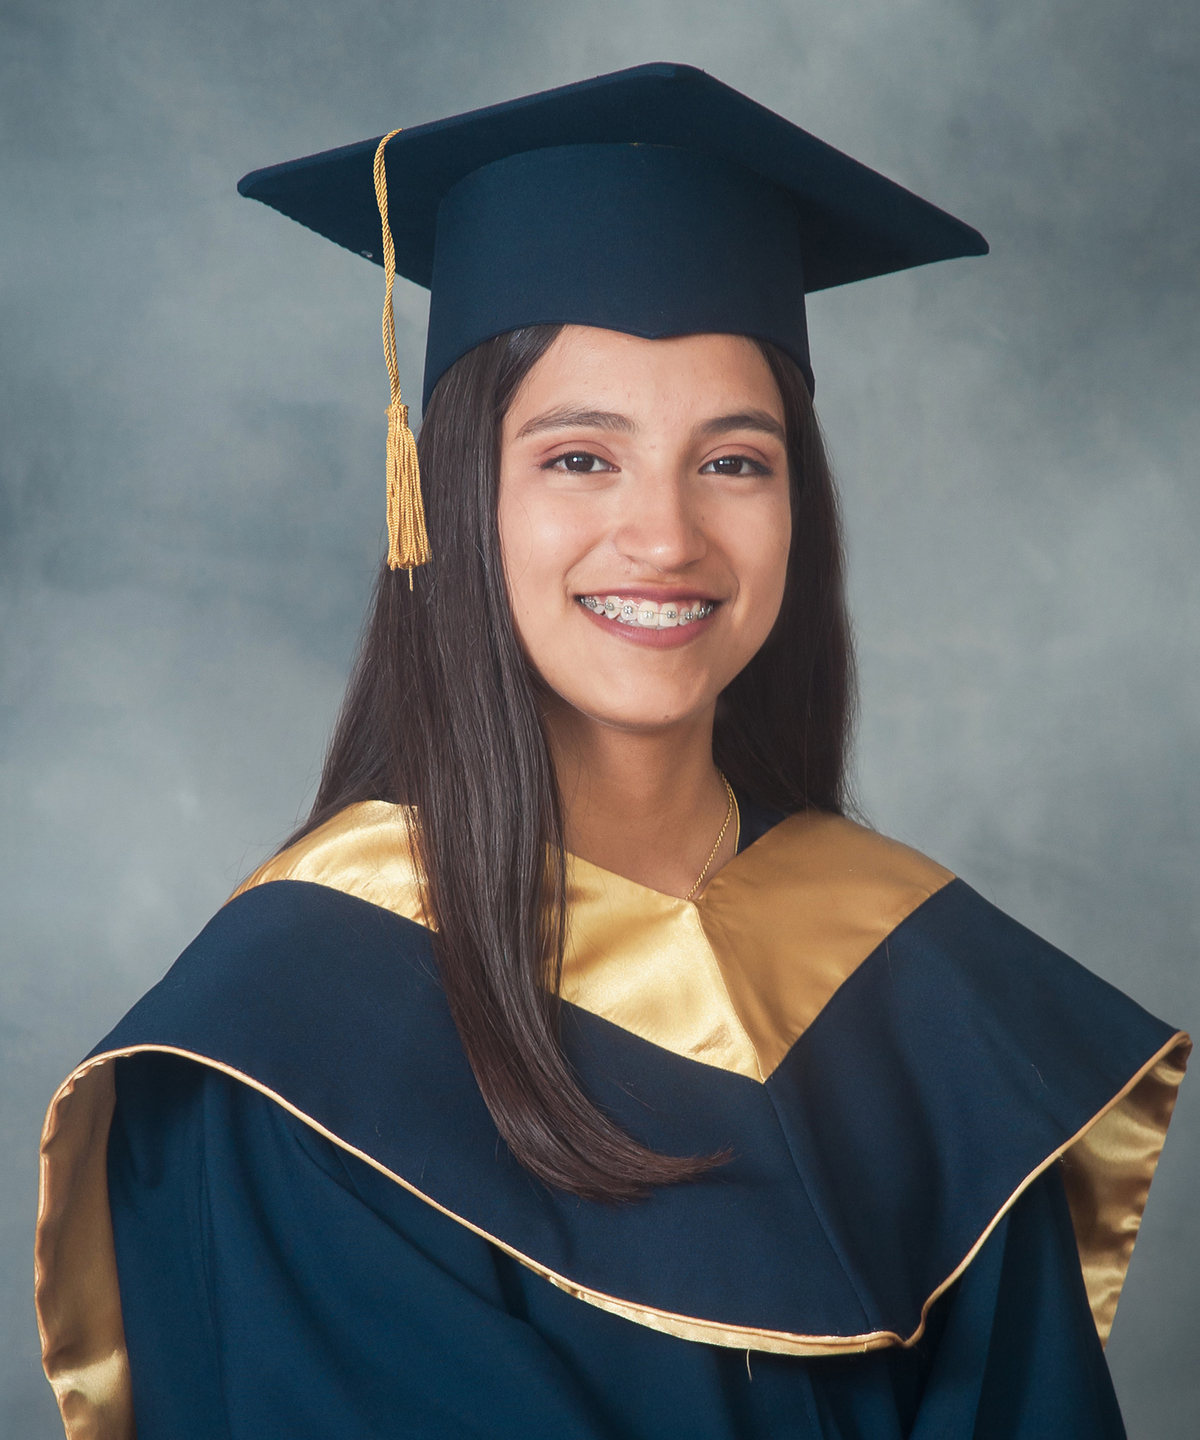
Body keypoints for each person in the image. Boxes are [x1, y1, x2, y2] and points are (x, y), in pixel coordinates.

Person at [35, 63, 1188, 1440]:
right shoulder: (296, 1040)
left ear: (797, 506)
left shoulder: (919, 991)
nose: (665, 536)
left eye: (735, 460)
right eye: (580, 457)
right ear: (456, 499)